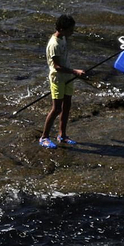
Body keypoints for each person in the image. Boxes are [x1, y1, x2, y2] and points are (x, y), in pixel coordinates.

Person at [40, 13, 87, 148]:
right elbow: (56, 67)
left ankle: (62, 135)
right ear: (61, 29)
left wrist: (72, 73)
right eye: (70, 30)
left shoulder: (63, 38)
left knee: (67, 106)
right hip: (57, 79)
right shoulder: (53, 44)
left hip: (67, 77)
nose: (72, 32)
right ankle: (44, 137)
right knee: (56, 109)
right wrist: (75, 71)